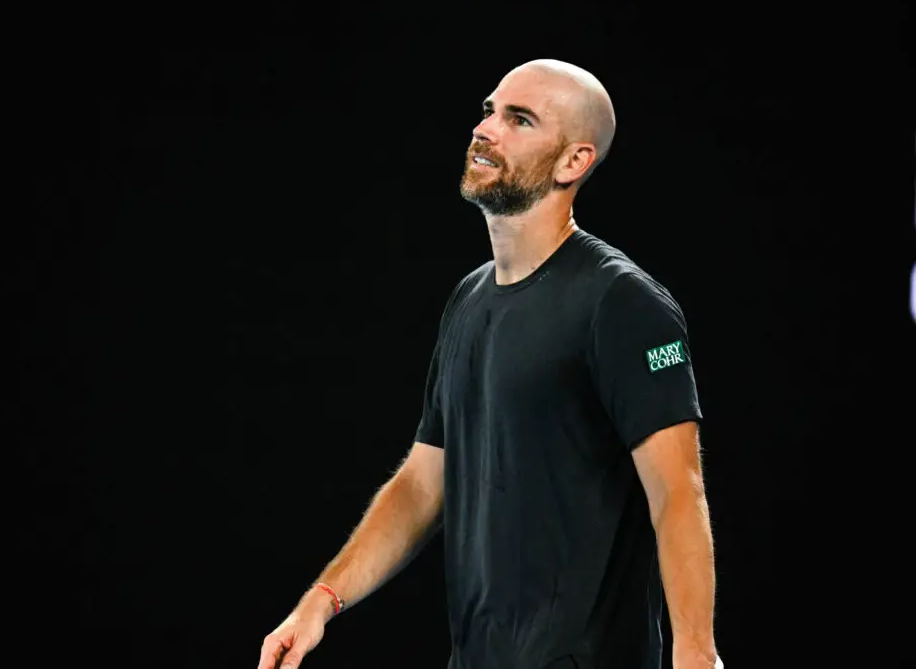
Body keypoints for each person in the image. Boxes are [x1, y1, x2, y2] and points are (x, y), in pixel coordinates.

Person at [257, 59, 722, 669]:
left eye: (519, 120)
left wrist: (696, 654)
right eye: (489, 111)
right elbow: (423, 482)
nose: (486, 129)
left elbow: (677, 494)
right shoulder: (469, 300)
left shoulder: (623, 303)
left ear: (573, 161)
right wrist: (321, 600)